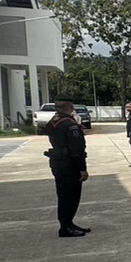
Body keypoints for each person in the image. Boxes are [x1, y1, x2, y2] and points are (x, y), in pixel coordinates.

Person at [45, 97, 89, 237]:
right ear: (70, 107)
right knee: (70, 196)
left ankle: (68, 223)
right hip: (69, 164)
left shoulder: (54, 121)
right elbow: (77, 149)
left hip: (58, 161)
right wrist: (82, 168)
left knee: (64, 194)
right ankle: (65, 226)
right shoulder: (70, 124)